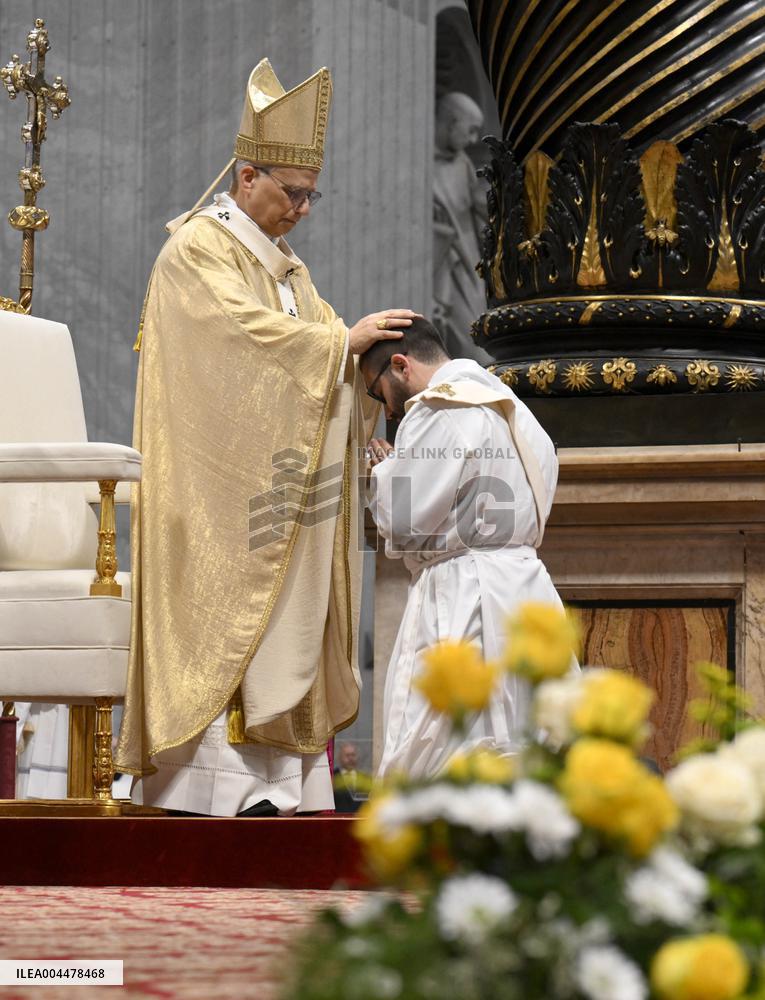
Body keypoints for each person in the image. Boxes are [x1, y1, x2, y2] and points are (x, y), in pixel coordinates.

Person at [114, 59, 416, 816]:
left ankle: (277, 789)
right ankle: (205, 788)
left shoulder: (286, 269)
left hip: (274, 490)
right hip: (213, 491)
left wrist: (364, 383)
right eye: (293, 193)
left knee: (287, 612)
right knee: (230, 611)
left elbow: (316, 342)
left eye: (312, 195)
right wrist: (336, 347)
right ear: (247, 177)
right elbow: (239, 341)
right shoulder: (197, 252)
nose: (303, 210)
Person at [363, 317, 571, 779]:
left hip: (464, 591)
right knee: (528, 736)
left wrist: (383, 474)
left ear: (400, 365)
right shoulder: (516, 408)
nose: (388, 412)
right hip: (527, 588)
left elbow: (403, 520)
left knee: (444, 745)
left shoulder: (436, 410)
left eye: (378, 395)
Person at [433, 92, 491, 365]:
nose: (471, 140)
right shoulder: (419, 164)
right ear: (452, 122)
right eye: (470, 131)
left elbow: (480, 206)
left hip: (469, 266)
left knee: (480, 343)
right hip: (443, 268)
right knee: (472, 350)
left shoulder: (461, 162)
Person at [332, 741, 364, 814]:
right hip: (338, 821)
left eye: (353, 755)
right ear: (340, 757)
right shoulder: (332, 777)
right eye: (347, 755)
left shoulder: (364, 779)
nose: (350, 758)